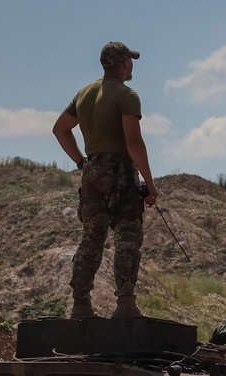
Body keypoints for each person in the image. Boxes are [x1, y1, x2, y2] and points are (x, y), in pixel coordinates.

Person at [52, 41, 159, 319]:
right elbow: (134, 143)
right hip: (120, 170)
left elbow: (60, 129)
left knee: (91, 238)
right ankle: (124, 305)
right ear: (123, 63)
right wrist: (150, 183)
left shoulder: (84, 94)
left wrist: (80, 162)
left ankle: (81, 305)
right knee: (127, 237)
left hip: (92, 171)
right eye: (130, 61)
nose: (131, 65)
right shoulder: (127, 95)